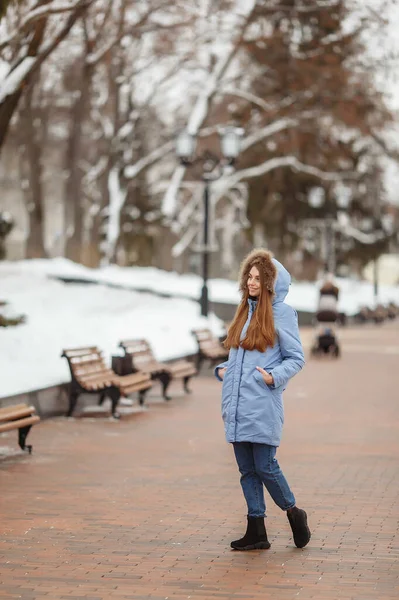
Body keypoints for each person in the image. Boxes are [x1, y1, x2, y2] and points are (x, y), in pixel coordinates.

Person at [215, 248, 310, 551]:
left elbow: (295, 358)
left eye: (258, 278)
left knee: (266, 466)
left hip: (262, 402)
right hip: (238, 404)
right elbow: (243, 354)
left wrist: (272, 377)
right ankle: (257, 530)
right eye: (249, 277)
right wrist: (226, 369)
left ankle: (294, 512)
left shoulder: (282, 313)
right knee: (246, 470)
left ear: (271, 282)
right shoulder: (245, 309)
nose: (252, 282)